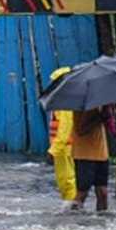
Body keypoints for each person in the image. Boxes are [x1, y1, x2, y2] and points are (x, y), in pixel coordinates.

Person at [46, 67, 78, 202]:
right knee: (64, 179)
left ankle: (72, 207)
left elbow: (64, 129)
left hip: (64, 148)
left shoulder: (64, 102)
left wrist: (54, 150)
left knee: (67, 180)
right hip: (64, 147)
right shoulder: (65, 100)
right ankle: (70, 205)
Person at [71, 105, 110, 212]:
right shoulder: (82, 104)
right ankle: (71, 219)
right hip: (84, 154)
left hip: (101, 152)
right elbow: (80, 130)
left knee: (103, 193)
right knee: (82, 192)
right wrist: (100, 118)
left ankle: (103, 222)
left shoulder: (102, 103)